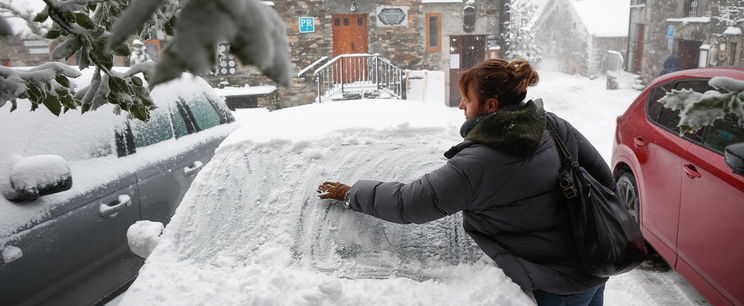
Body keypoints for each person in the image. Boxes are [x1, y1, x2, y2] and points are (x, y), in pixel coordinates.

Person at [317, 58, 614, 306]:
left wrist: (351, 192)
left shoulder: (478, 164)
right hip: (593, 264)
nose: (461, 106)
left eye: (466, 98)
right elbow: (602, 177)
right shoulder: (551, 124)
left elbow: (410, 204)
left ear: (490, 105)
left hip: (555, 285)